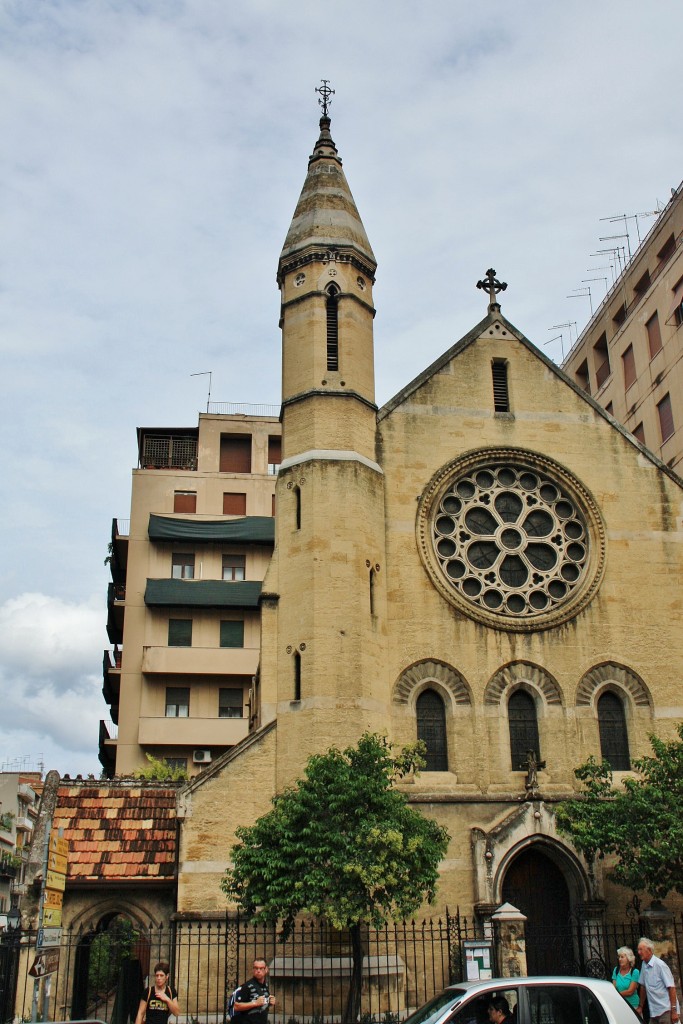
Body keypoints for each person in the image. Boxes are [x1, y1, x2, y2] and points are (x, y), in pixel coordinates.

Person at [637, 937, 680, 1023]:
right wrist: (640, 1006)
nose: (639, 952)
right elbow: (643, 987)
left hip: (666, 1010)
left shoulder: (660, 965)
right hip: (654, 1012)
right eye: (638, 950)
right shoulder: (644, 965)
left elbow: (671, 987)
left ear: (649, 950)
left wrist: (674, 1010)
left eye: (641, 949)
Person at [233, 958, 276, 1024]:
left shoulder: (265, 985)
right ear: (253, 970)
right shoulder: (247, 986)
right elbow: (236, 1006)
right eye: (256, 968)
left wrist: (269, 1002)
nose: (258, 971)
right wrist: (255, 1003)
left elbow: (262, 1005)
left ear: (266, 970)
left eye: (261, 968)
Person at [612, 946, 640, 1010]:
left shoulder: (635, 972)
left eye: (622, 957)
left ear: (629, 959)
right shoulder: (616, 970)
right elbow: (613, 988)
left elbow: (630, 991)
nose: (619, 959)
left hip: (632, 1006)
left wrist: (616, 995)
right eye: (619, 957)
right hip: (619, 1004)